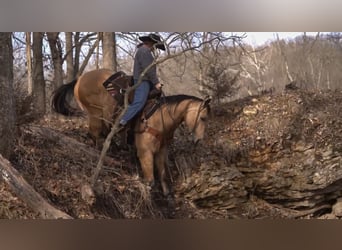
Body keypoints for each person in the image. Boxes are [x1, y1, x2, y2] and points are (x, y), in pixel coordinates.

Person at [119, 33, 165, 127]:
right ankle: (123, 120)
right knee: (139, 102)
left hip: (147, 80)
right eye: (155, 46)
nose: (155, 49)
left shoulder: (144, 51)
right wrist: (156, 82)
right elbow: (148, 69)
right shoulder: (144, 51)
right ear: (152, 43)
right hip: (142, 81)